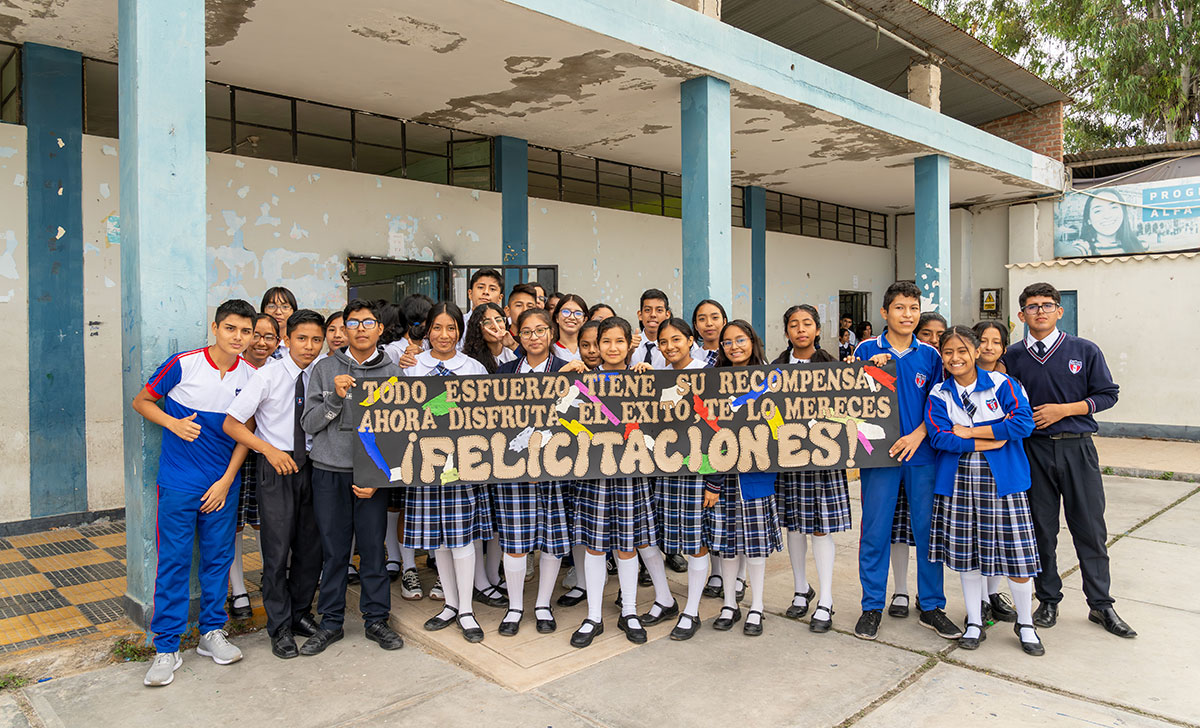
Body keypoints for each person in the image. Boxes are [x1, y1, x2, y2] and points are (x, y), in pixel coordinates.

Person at [132, 299, 257, 687]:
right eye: (231, 329)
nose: (238, 337)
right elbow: (142, 401)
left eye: (246, 331)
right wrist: (172, 423)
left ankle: (211, 634)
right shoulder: (183, 364)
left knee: (218, 559)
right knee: (173, 560)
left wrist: (226, 481)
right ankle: (166, 647)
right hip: (178, 481)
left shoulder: (252, 375)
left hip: (223, 484)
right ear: (216, 328)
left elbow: (245, 433)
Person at [1001, 283, 1134, 638]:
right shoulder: (1013, 356)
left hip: (1077, 447)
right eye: (1032, 306)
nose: (1040, 311)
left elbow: (1107, 394)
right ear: (1021, 315)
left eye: (1047, 305)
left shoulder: (1083, 350)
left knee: (1090, 527)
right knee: (1041, 529)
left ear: (1060, 311)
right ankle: (1047, 599)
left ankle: (1101, 604)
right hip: (1034, 451)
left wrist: (1066, 410)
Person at [926, 326, 1045, 656]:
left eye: (962, 351)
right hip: (959, 483)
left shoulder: (1003, 384)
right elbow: (939, 437)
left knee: (1018, 557)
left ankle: (1025, 623)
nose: (955, 358)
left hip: (1004, 482)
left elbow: (1022, 424)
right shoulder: (940, 393)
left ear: (976, 352)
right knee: (969, 556)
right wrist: (987, 439)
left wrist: (969, 430)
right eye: (948, 352)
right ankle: (975, 621)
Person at [852, 282, 960, 642]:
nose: (908, 315)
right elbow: (849, 397)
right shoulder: (867, 348)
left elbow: (942, 404)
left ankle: (931, 606)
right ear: (885, 313)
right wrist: (866, 366)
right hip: (879, 457)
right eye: (900, 308)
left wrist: (919, 434)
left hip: (921, 454)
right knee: (875, 530)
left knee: (929, 533)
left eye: (913, 308)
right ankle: (871, 606)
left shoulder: (930, 356)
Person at [300, 299, 406, 655]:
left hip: (371, 480)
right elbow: (309, 423)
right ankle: (330, 622)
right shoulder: (324, 368)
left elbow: (402, 434)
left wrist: (379, 477)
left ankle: (377, 619)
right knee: (334, 552)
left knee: (374, 549)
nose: (360, 328)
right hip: (329, 472)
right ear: (343, 330)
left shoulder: (395, 373)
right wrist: (334, 398)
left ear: (380, 328)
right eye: (353, 322)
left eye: (368, 322)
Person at [223, 309, 326, 659]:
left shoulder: (323, 375)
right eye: (301, 338)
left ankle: (300, 614)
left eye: (316, 339)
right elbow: (233, 423)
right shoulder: (266, 376)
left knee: (311, 549)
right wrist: (268, 450)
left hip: (314, 466)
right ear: (286, 339)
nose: (309, 346)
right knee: (277, 550)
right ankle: (279, 626)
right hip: (276, 466)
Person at [570, 316, 676, 648]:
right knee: (595, 546)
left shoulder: (642, 377)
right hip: (595, 474)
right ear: (595, 346)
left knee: (628, 546)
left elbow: (664, 413)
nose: (612, 348)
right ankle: (594, 616)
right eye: (605, 342)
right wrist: (565, 378)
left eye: (619, 341)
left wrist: (649, 378)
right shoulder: (584, 380)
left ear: (629, 342)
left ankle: (629, 610)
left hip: (632, 472)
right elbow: (561, 413)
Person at [404, 302, 496, 644]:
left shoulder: (472, 368)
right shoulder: (413, 366)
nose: (444, 335)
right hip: (426, 464)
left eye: (451, 328)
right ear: (428, 330)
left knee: (462, 537)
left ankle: (468, 608)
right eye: (437, 328)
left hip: (462, 465)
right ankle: (450, 604)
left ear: (460, 331)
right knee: (438, 539)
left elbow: (485, 416)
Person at [494, 308, 587, 636]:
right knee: (516, 543)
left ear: (552, 333)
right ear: (518, 336)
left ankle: (543, 604)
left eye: (541, 330)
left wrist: (580, 377)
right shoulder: (503, 372)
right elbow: (494, 421)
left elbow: (581, 420)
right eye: (527, 332)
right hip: (514, 469)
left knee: (551, 541)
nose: (534, 337)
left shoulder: (569, 371)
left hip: (555, 469)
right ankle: (516, 606)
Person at [771, 305, 847, 633]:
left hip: (823, 459)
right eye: (793, 324)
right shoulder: (774, 369)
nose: (800, 329)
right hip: (788, 458)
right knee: (793, 526)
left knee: (820, 527)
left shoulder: (832, 366)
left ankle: (826, 599)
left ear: (817, 329)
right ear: (786, 331)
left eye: (807, 324)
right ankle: (801, 589)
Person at [708, 319, 782, 637]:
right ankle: (729, 603)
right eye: (727, 342)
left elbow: (780, 428)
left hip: (757, 476)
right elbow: (704, 433)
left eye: (741, 339)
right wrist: (712, 481)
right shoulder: (712, 381)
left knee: (754, 547)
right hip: (721, 477)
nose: (734, 346)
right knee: (726, 547)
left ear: (753, 341)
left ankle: (757, 606)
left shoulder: (771, 380)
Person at [653, 318, 715, 640]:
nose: (670, 346)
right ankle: (668, 602)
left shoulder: (706, 375)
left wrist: (713, 481)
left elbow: (718, 429)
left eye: (676, 339)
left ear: (691, 340)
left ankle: (692, 610)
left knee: (697, 542)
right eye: (663, 342)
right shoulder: (658, 377)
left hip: (698, 470)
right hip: (666, 470)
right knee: (670, 539)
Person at [227, 313, 280, 621]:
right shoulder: (233, 369)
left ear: (278, 340)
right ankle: (238, 591)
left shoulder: (280, 369)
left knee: (266, 523)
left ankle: (270, 579)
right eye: (255, 335)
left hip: (266, 458)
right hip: (234, 456)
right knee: (232, 525)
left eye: (268, 337)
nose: (261, 342)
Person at [1061, 189, 1144, 256]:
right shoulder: (1084, 248)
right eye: (1098, 211)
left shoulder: (1140, 245)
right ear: (1088, 220)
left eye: (1113, 207)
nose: (1107, 216)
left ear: (1123, 213)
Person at [462, 301, 517, 372]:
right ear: (477, 328)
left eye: (498, 320)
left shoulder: (514, 352)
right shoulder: (469, 362)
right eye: (487, 322)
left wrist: (512, 345)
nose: (494, 326)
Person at [632, 289, 670, 369]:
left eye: (659, 310)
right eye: (647, 310)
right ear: (640, 315)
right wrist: (629, 352)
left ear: (667, 315)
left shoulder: (674, 345)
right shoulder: (630, 343)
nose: (653, 315)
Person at [261, 287, 297, 360]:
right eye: (271, 306)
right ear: (263, 310)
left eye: (285, 307)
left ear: (293, 311)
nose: (278, 312)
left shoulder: (296, 344)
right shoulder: (254, 343)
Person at [551, 294, 588, 362]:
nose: (571, 317)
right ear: (557, 317)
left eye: (578, 313)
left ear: (584, 320)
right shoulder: (549, 350)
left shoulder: (591, 350)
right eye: (566, 312)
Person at [690, 299, 727, 368]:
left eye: (715, 318)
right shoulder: (692, 359)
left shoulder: (733, 353)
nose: (709, 323)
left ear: (724, 322)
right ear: (695, 325)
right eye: (702, 319)